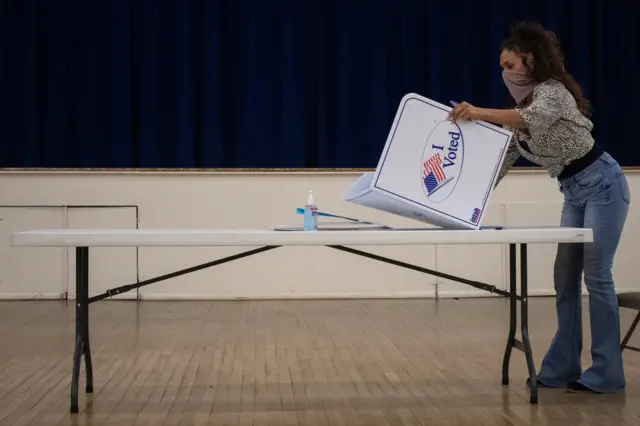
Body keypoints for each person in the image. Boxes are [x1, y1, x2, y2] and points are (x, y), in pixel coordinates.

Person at [449, 20, 630, 394]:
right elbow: (499, 164)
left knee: (597, 277)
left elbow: (528, 120)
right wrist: (464, 204)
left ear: (530, 60)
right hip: (573, 191)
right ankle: (562, 367)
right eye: (502, 67)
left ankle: (607, 373)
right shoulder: (520, 109)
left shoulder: (553, 93)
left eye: (510, 65)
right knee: (565, 279)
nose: (505, 73)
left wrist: (478, 112)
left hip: (603, 184)